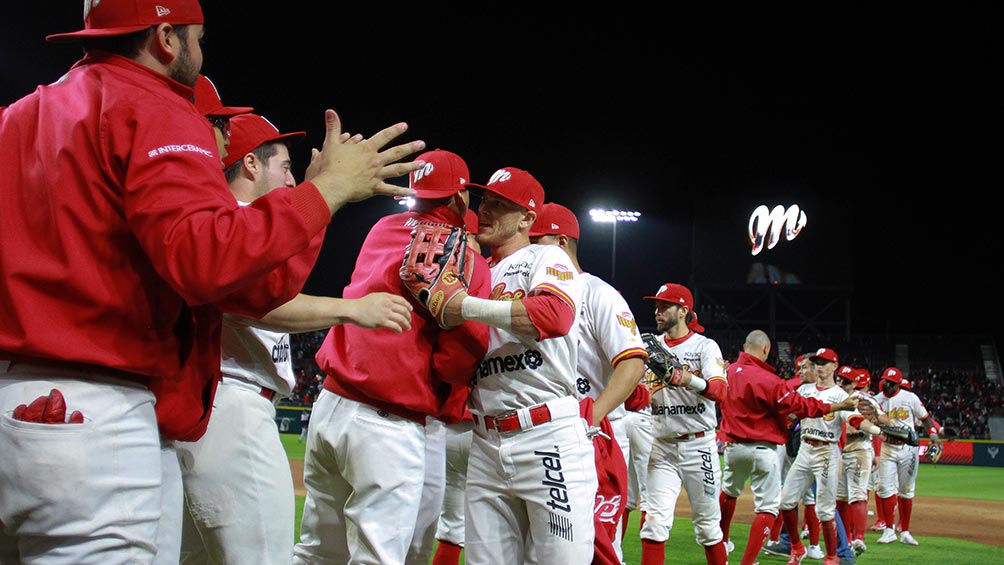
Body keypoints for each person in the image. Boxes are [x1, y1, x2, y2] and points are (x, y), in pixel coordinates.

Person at [0, 1, 424, 562]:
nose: (201, 53)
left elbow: (241, 286)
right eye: (198, 37)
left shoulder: (20, 115)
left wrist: (316, 197)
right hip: (97, 406)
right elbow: (209, 264)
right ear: (167, 36)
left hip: (15, 398)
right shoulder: (150, 101)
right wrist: (328, 193)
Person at [176, 112, 415, 565]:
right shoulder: (238, 222)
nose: (292, 179)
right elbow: (263, 301)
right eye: (284, 167)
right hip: (233, 403)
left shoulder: (218, 224)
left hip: (212, 402)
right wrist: (350, 309)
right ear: (250, 165)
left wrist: (319, 192)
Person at [293, 149, 490, 564]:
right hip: (386, 422)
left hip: (329, 408)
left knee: (315, 551)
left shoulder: (383, 227)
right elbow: (455, 358)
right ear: (460, 199)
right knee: (378, 556)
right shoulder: (467, 256)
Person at [437, 166, 596, 564]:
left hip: (546, 435)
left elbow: (554, 313)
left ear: (528, 218)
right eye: (485, 201)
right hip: (486, 442)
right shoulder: (475, 273)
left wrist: (463, 307)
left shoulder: (546, 255)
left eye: (500, 205)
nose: (485, 210)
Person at [529, 201, 650, 564]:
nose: (531, 249)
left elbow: (633, 363)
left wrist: (592, 416)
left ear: (563, 243)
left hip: (593, 434)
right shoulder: (533, 293)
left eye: (540, 241)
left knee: (599, 545)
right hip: (541, 436)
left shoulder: (597, 292)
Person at [718, 331, 860, 565]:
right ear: (765, 349)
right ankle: (750, 562)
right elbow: (800, 406)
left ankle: (723, 542)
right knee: (769, 508)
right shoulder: (769, 380)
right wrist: (839, 405)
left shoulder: (726, 372)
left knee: (729, 493)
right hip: (765, 449)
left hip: (732, 447)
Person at [638, 283, 729, 565]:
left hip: (698, 444)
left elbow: (719, 390)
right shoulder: (649, 346)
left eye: (665, 305)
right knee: (653, 523)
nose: (658, 311)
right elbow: (637, 393)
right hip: (661, 445)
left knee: (709, 529)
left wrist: (685, 378)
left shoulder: (704, 345)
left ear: (683, 310)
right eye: (657, 306)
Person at [776, 348, 879, 565]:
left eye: (824, 363)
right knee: (785, 501)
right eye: (817, 362)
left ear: (834, 366)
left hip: (826, 451)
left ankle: (832, 556)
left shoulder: (840, 396)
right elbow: (788, 412)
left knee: (824, 509)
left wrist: (876, 430)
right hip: (805, 447)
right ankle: (796, 547)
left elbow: (855, 420)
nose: (819, 366)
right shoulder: (804, 390)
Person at [430, 210, 482, 565]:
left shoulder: (437, 275)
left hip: (443, 426)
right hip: (482, 429)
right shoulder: (484, 273)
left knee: (446, 525)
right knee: (491, 529)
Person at [870, 366, 943, 546]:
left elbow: (925, 418)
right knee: (886, 489)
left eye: (892, 383)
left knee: (907, 490)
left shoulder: (910, 398)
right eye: (887, 380)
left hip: (908, 449)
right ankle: (888, 530)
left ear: (897, 385)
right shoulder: (877, 401)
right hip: (888, 447)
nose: (888, 384)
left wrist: (933, 435)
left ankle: (905, 532)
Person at [835, 367, 874, 556]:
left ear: (854, 384)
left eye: (846, 381)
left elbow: (877, 422)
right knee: (840, 497)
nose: (842, 383)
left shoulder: (864, 401)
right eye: (839, 379)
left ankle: (859, 538)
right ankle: (846, 538)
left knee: (857, 494)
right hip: (839, 452)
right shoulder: (834, 397)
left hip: (859, 450)